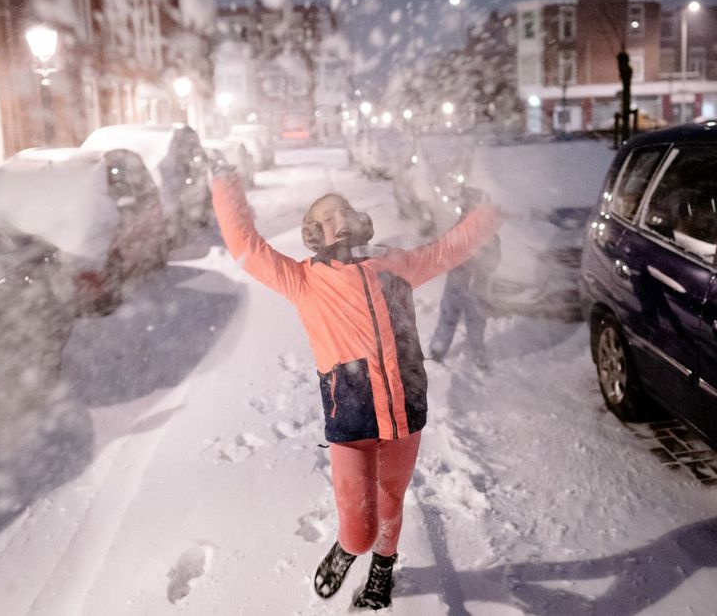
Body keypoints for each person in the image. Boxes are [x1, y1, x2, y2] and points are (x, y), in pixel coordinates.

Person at [209, 163, 501, 609]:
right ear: (313, 234)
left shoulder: (395, 265)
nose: (338, 218)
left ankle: (382, 573)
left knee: (391, 502)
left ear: (360, 220)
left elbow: (450, 248)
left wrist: (492, 210)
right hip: (351, 416)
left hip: (406, 411)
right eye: (326, 217)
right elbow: (245, 246)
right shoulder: (305, 280)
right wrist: (226, 186)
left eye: (343, 210)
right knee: (361, 527)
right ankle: (348, 548)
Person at [428, 193, 501, 370]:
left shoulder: (487, 235)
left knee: (472, 320)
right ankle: (440, 350)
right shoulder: (464, 230)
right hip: (460, 283)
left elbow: (493, 261)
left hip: (473, 286)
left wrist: (479, 264)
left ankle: (476, 354)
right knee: (450, 317)